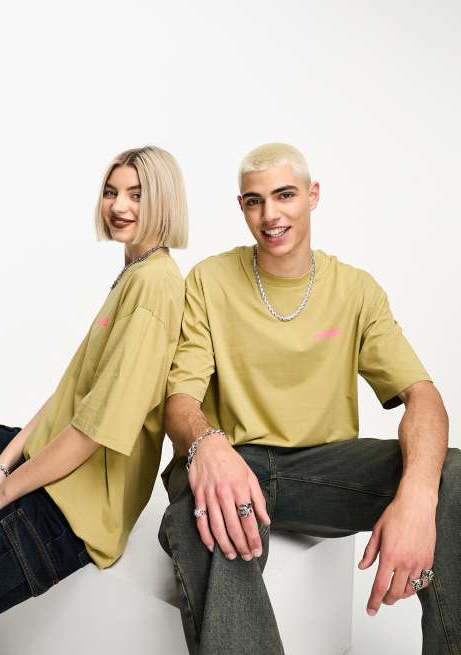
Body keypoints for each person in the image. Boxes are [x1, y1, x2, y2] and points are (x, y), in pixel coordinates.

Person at [158, 142, 459, 655]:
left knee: (451, 475)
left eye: (285, 195)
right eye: (254, 201)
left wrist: (417, 495)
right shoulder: (209, 280)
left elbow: (423, 398)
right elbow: (179, 399)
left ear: (312, 195)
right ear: (241, 207)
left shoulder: (356, 290)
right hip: (234, 459)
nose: (270, 215)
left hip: (323, 470)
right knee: (217, 521)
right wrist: (207, 444)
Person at [0, 145, 187, 640]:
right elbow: (68, 396)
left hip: (72, 512)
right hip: (46, 460)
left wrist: (1, 495)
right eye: (111, 192)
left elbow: (96, 431)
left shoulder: (155, 287)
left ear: (163, 201)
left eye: (136, 195)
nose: (118, 206)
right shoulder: (135, 273)